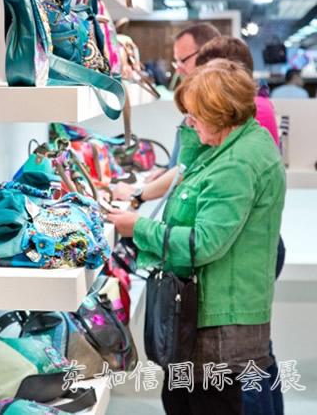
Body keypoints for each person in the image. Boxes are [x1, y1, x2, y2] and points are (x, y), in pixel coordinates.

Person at [108, 59, 286, 415]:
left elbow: (204, 243)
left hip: (219, 325)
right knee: (183, 400)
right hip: (209, 315)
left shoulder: (236, 163)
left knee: (206, 403)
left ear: (220, 114)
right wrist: (195, 134)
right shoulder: (229, 146)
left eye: (195, 115)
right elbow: (187, 170)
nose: (188, 122)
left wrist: (138, 228)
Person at [195, 36, 285, 415]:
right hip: (249, 248)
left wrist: (147, 232)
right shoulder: (250, 131)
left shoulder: (244, 140)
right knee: (255, 361)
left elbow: (207, 238)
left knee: (245, 368)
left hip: (243, 254)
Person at [114, 23, 220, 203]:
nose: (178, 68)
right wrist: (168, 170)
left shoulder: (212, 108)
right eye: (176, 61)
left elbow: (188, 168)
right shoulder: (201, 100)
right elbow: (189, 163)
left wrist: (137, 194)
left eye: (183, 60)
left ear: (206, 55)